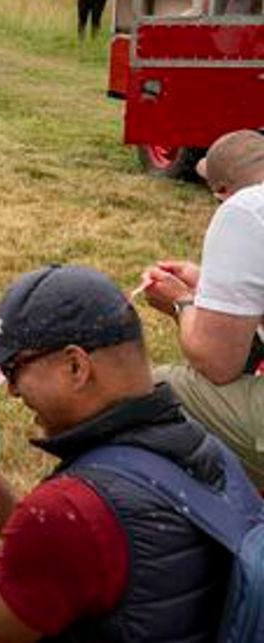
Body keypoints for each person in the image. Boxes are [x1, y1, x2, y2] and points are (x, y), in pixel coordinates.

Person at [0, 264, 244, 642]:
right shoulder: (204, 451)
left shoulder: (74, 512)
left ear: (76, 366)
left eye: (13, 369)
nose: (11, 390)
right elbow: (55, 557)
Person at [140, 129, 264, 487]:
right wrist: (211, 288)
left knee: (154, 390)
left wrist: (183, 303)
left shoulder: (245, 209)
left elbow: (217, 363)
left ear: (221, 192)